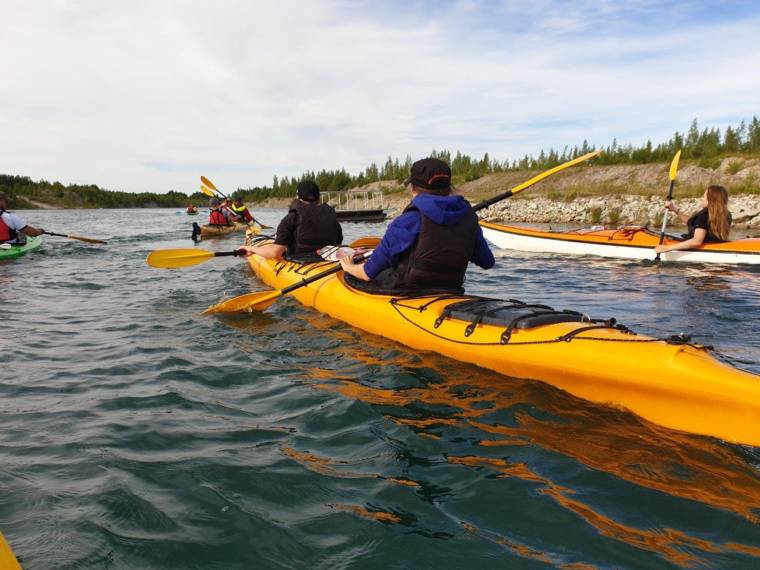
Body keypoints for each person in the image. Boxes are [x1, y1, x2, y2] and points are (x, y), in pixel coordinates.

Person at [339, 158, 494, 291]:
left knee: (354, 275)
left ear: (413, 188)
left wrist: (348, 266)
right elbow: (487, 262)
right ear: (449, 187)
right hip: (451, 288)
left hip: (409, 290)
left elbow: (367, 274)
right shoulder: (469, 218)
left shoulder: (407, 220)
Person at [238, 180, 342, 260]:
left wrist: (250, 249)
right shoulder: (332, 216)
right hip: (328, 262)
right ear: (318, 197)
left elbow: (275, 253)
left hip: (300, 263)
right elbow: (338, 244)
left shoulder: (291, 218)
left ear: (298, 197)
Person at [654, 185, 731, 254]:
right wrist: (675, 210)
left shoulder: (704, 216)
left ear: (710, 200)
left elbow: (696, 241)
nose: (702, 199)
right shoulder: (726, 215)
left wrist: (667, 248)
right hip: (716, 245)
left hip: (702, 253)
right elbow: (693, 223)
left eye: (704, 197)